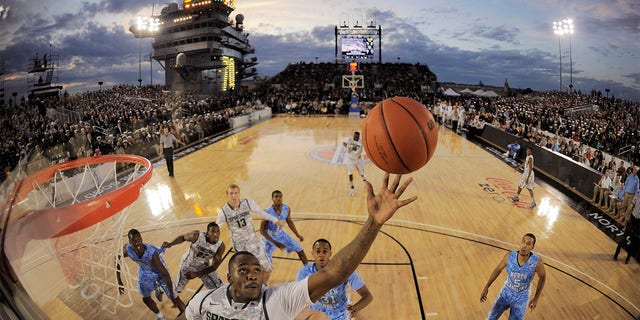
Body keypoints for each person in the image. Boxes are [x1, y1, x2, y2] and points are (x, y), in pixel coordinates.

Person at [185, 173, 417, 320]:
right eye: (244, 271)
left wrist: (373, 223)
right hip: (250, 242)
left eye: (257, 271)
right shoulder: (206, 301)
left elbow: (335, 273)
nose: (253, 276)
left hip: (261, 242)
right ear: (228, 277)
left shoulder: (277, 299)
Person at [216, 183, 286, 282]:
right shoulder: (223, 212)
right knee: (246, 274)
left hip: (253, 243)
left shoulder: (248, 202)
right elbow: (216, 227)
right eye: (231, 193)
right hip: (240, 247)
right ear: (227, 195)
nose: (234, 196)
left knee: (267, 268)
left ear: (239, 194)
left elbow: (261, 212)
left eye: (236, 193)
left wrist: (276, 220)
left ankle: (263, 288)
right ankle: (249, 293)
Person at [295, 239, 373, 320]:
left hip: (340, 313)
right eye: (318, 251)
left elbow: (368, 296)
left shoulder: (344, 270)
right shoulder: (304, 272)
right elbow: (296, 298)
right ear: (313, 254)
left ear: (330, 254)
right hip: (316, 312)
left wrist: (356, 308)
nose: (321, 255)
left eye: (325, 252)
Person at [117, 229, 186, 319]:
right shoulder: (128, 249)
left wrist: (172, 296)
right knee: (146, 298)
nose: (136, 243)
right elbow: (117, 258)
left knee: (176, 299)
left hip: (160, 273)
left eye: (138, 240)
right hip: (145, 272)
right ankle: (161, 317)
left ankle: (189, 316)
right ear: (129, 242)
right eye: (133, 241)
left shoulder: (151, 254)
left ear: (141, 239)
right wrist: (119, 281)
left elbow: (166, 275)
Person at [480, 233, 547, 320]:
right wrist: (486, 286)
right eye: (523, 242)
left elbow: (542, 277)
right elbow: (498, 269)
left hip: (522, 298)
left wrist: (536, 298)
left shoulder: (536, 262)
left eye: (528, 243)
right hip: (506, 293)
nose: (524, 245)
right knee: (490, 318)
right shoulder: (509, 256)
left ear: (532, 247)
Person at [161, 222, 226, 294]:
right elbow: (182, 238)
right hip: (188, 264)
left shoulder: (220, 246)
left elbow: (214, 267)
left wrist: (197, 274)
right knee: (177, 290)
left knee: (217, 287)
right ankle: (161, 288)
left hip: (203, 266)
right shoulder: (196, 236)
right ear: (207, 234)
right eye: (213, 231)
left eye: (217, 231)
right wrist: (171, 244)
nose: (216, 234)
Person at [260, 190, 309, 266]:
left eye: (280, 196)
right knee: (266, 264)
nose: (278, 198)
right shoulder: (267, 212)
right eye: (276, 197)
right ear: (272, 199)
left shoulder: (286, 208)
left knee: (300, 249)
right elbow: (262, 231)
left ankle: (308, 269)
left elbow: (289, 221)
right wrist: (276, 243)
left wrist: (297, 234)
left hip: (280, 234)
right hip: (268, 237)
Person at [343, 131, 367, 196]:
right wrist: (345, 145)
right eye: (355, 136)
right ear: (353, 136)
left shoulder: (361, 142)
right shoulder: (349, 140)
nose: (356, 137)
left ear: (359, 137)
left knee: (361, 173)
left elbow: (363, 150)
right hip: (350, 160)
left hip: (358, 160)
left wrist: (360, 153)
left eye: (357, 137)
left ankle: (364, 181)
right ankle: (352, 188)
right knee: (350, 173)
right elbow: (347, 149)